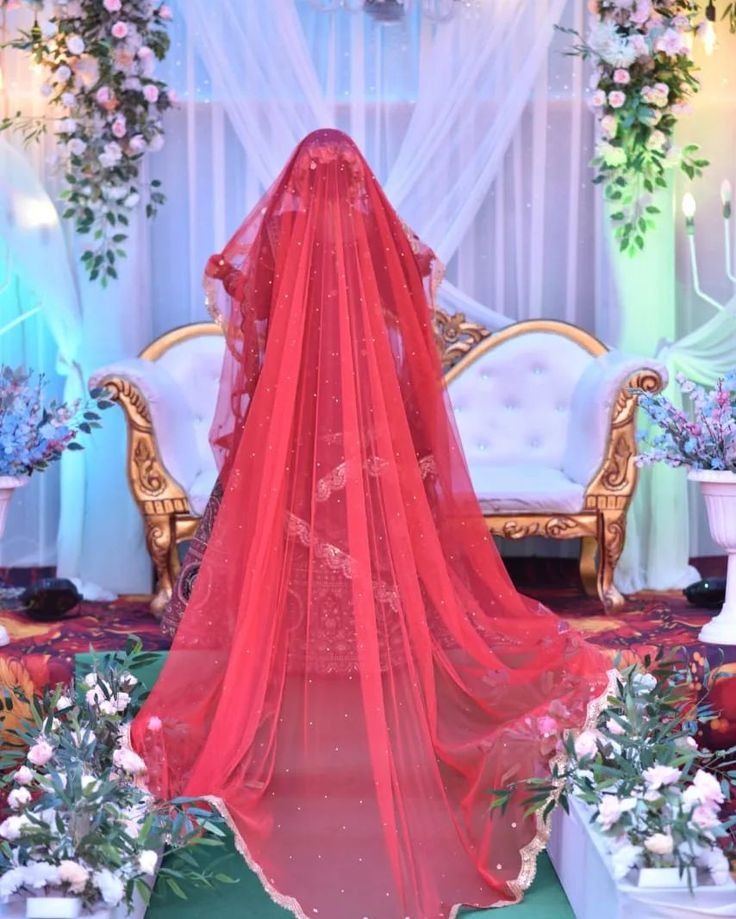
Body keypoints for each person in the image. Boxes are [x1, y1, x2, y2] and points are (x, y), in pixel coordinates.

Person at [131, 128, 610, 919]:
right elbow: (419, 284)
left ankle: (295, 677)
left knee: (299, 529)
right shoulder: (376, 230)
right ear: (359, 181)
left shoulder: (281, 229)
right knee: (371, 535)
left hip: (296, 424)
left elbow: (238, 297)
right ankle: (370, 665)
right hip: (365, 413)